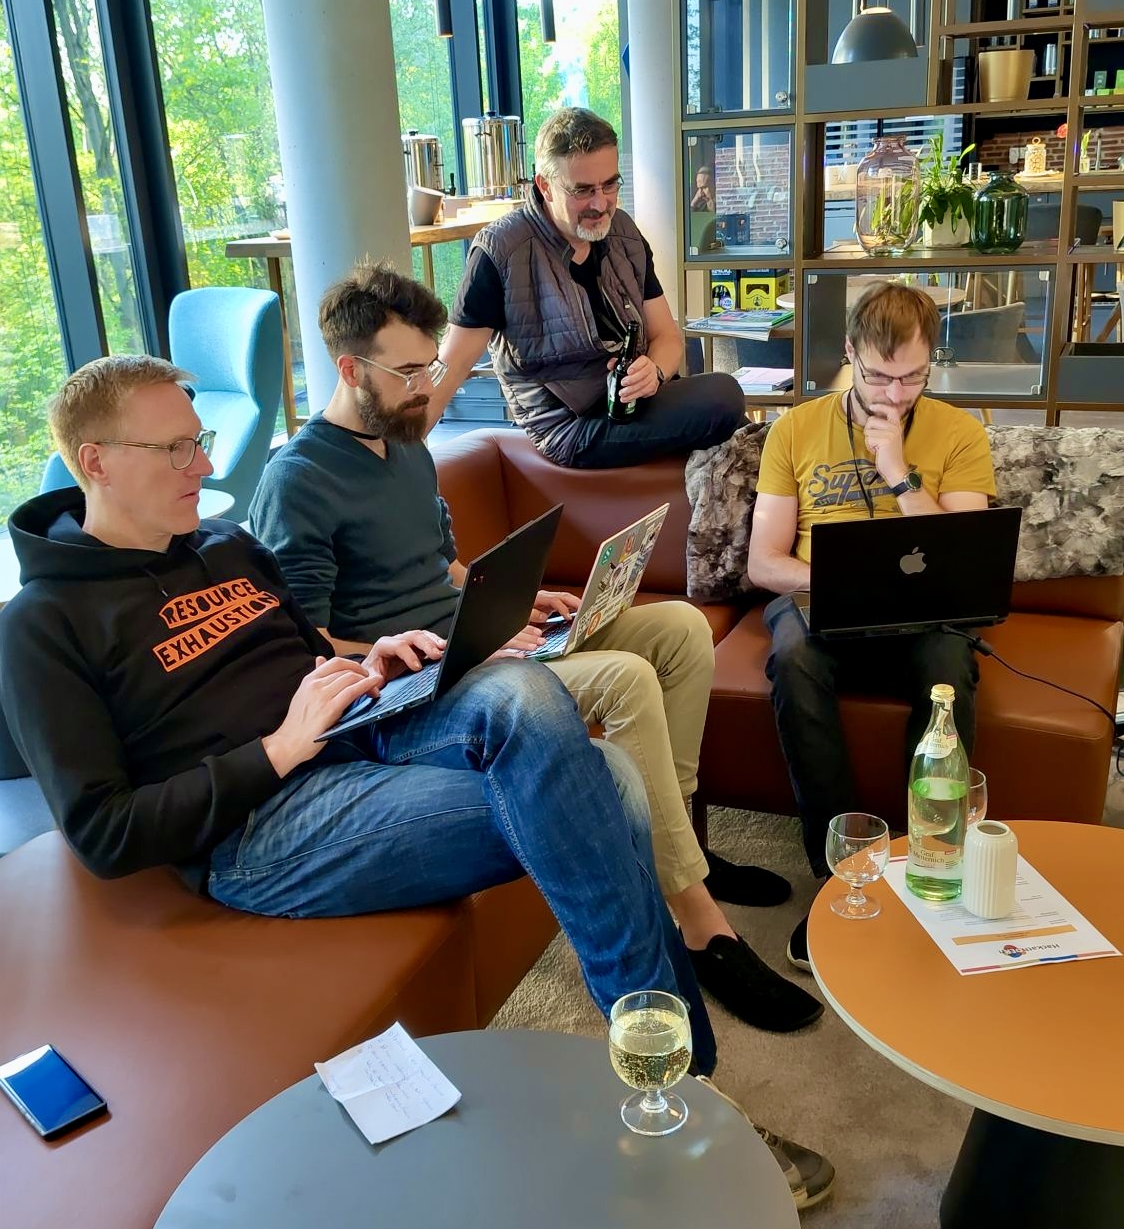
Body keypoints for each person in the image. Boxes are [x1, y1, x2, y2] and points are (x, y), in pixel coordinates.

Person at [1, 354, 834, 1213]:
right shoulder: (42, 625)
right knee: (609, 778)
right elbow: (103, 833)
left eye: (199, 440)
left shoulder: (226, 546)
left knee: (523, 689)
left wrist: (371, 660)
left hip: (357, 731)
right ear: (95, 461)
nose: (206, 464)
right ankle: (684, 1089)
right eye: (176, 449)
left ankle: (671, 1080)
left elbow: (309, 656)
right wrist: (277, 751)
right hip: (259, 830)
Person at [248, 262, 823, 1038]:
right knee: (625, 679)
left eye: (431, 367)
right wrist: (450, 647)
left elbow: (440, 565)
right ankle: (695, 918)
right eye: (409, 372)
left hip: (480, 640)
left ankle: (678, 842)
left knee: (681, 630)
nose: (426, 388)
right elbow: (309, 647)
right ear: (351, 370)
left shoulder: (406, 442)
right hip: (416, 689)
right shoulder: (298, 479)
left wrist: (514, 600)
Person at [747, 283, 996, 971]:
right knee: (792, 659)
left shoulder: (959, 431)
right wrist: (840, 583)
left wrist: (898, 475)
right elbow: (764, 562)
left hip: (924, 612)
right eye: (881, 377)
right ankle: (843, 878)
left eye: (913, 376)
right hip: (818, 602)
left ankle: (930, 865)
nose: (896, 394)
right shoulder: (795, 429)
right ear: (850, 354)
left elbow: (962, 560)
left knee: (949, 670)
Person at [428, 106, 746, 468]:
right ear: (544, 186)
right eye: (582, 190)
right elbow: (451, 366)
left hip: (632, 405)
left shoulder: (624, 232)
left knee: (745, 432)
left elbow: (667, 336)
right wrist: (397, 460)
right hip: (570, 427)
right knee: (723, 396)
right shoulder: (501, 251)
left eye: (610, 184)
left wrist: (654, 371)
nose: (600, 203)